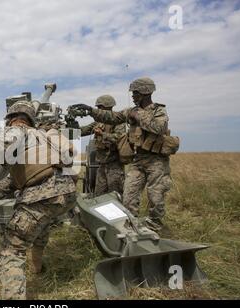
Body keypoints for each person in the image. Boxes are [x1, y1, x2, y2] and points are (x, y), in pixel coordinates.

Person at [0, 100, 77, 300]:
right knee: (42, 223)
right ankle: (38, 268)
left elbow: (2, 144)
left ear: (11, 119)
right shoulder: (43, 136)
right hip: (66, 194)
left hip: (40, 196)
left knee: (11, 250)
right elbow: (18, 179)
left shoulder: (18, 129)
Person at [72, 78, 175, 231]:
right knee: (128, 196)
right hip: (138, 159)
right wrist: (90, 111)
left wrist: (139, 115)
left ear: (145, 92)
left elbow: (159, 128)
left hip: (156, 161)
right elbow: (112, 117)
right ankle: (130, 227)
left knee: (156, 196)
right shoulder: (130, 111)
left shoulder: (158, 111)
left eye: (135, 93)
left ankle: (154, 228)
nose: (133, 96)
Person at [79, 95, 125, 196]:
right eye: (98, 107)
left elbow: (119, 138)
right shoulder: (98, 122)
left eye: (100, 107)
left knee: (115, 195)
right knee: (99, 195)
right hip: (101, 165)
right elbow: (83, 130)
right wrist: (66, 128)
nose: (98, 110)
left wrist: (102, 134)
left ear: (108, 107)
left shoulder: (118, 122)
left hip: (114, 165)